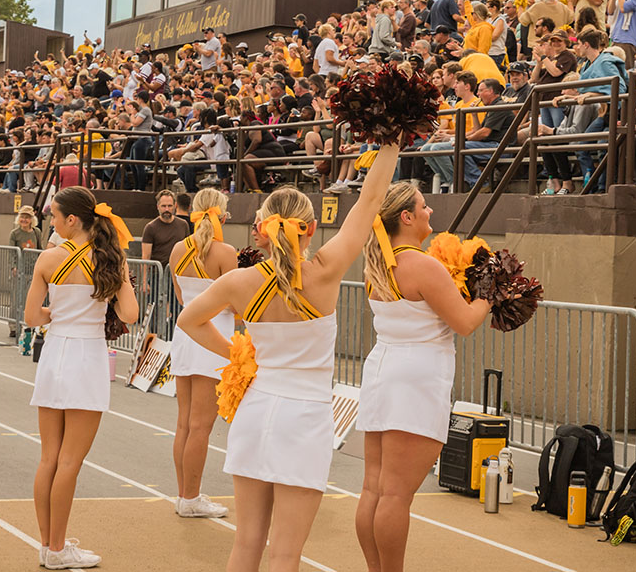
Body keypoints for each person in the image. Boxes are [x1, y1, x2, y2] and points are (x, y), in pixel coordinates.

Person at [174, 143, 399, 572]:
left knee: (246, 545)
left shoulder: (240, 281)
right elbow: (369, 201)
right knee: (285, 553)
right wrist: (390, 143)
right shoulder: (325, 270)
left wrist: (238, 354)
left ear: (259, 229)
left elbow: (188, 319)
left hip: (255, 412)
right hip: (305, 420)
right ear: (311, 228)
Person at [354, 182, 491, 572]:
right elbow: (464, 323)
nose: (430, 212)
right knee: (396, 495)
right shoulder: (422, 265)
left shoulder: (378, 262)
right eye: (424, 206)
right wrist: (489, 294)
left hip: (383, 370)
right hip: (416, 378)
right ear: (407, 217)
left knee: (373, 489)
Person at [25, 188, 138, 569]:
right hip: (88, 357)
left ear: (72, 220)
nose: (51, 222)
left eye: (54, 215)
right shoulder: (110, 258)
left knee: (49, 459)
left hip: (55, 353)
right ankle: (58, 549)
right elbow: (131, 314)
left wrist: (56, 315)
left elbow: (31, 317)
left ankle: (48, 545)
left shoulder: (48, 258)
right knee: (70, 461)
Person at [168, 189, 236, 520]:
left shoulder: (179, 249)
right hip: (214, 336)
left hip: (185, 334)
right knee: (200, 426)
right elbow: (235, 303)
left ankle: (185, 494)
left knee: (184, 423)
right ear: (222, 216)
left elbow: (181, 295)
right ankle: (191, 497)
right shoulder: (226, 252)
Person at [140, 189, 189, 267]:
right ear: (158, 206)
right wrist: (144, 279)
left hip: (178, 272)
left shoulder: (183, 225)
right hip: (157, 275)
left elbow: (187, 251)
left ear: (175, 206)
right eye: (163, 206)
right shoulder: (150, 227)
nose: (167, 209)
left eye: (169, 206)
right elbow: (146, 258)